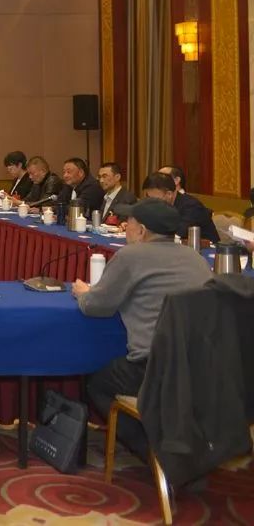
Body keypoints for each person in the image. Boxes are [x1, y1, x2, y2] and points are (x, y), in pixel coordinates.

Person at [74, 198, 213, 465]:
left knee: (96, 382)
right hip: (201, 367)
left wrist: (83, 293)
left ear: (142, 230)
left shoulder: (131, 256)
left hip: (154, 369)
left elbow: (96, 307)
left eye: (129, 222)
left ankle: (155, 453)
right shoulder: (194, 257)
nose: (124, 226)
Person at [140, 172, 219, 244]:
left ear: (169, 194)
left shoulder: (191, 206)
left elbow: (177, 235)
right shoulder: (160, 206)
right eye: (147, 197)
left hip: (208, 250)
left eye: (153, 199)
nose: (150, 202)